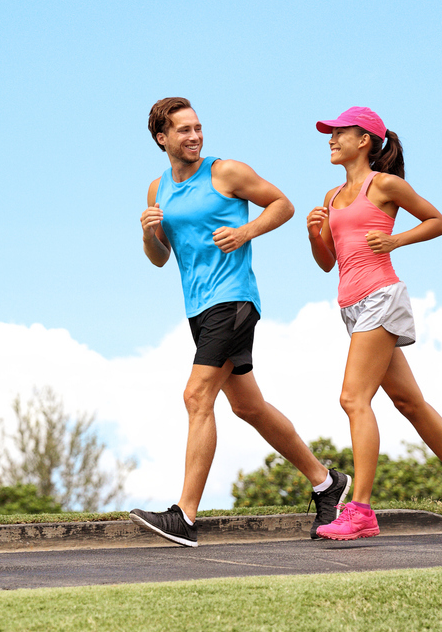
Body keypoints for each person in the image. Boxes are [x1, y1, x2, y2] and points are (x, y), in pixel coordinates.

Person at [129, 97, 348, 547]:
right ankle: (327, 483)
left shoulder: (224, 172)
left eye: (198, 128)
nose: (194, 136)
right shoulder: (159, 189)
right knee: (248, 407)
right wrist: (150, 231)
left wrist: (246, 232)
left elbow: (282, 205)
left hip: (233, 299)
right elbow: (159, 259)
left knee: (196, 395)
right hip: (198, 307)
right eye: (183, 130)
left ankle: (184, 517)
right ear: (162, 138)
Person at [305, 106, 442, 541]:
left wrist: (396, 239)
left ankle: (360, 510)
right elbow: (326, 263)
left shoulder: (385, 184)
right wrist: (315, 233)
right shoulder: (332, 197)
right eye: (330, 134)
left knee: (353, 399)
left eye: (340, 133)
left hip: (381, 297)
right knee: (409, 403)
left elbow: (438, 221)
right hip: (351, 305)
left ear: (366, 141)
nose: (332, 139)